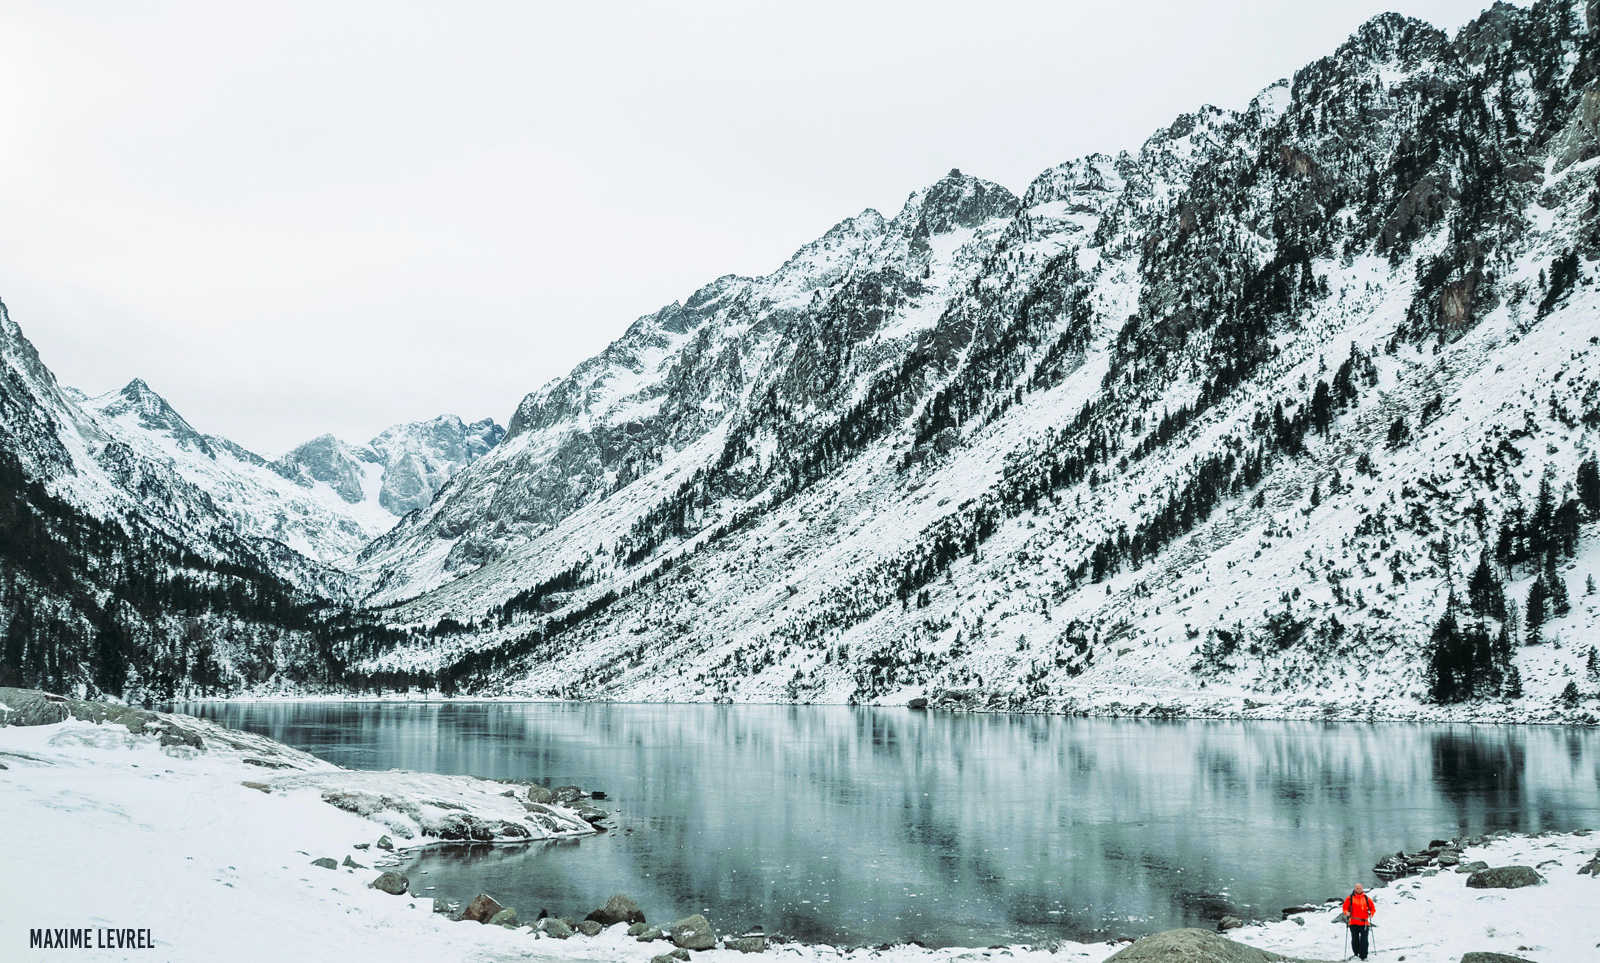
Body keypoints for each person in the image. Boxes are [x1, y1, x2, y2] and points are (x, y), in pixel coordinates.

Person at [1342, 883, 1376, 960]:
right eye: (1357, 888)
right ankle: (1356, 953)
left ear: (1362, 888)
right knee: (1355, 939)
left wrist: (1371, 914)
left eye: (1360, 888)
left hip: (1364, 923)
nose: (1358, 889)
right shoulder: (1350, 898)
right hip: (1353, 922)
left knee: (1364, 939)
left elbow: (1372, 908)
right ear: (1355, 889)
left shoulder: (1366, 898)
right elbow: (1345, 907)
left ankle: (1364, 956)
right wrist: (1346, 912)